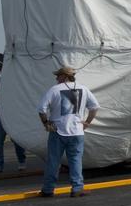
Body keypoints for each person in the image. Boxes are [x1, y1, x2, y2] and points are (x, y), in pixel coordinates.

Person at [37, 65, 99, 198]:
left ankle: (48, 189)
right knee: (75, 160)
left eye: (58, 76)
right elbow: (94, 107)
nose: (56, 78)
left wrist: (46, 123)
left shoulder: (54, 90)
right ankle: (77, 188)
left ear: (64, 76)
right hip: (77, 131)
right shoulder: (83, 88)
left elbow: (42, 109)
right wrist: (87, 122)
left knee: (53, 161)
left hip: (57, 130)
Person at [0, 75, 27, 173]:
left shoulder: (13, 90)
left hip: (12, 116)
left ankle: (21, 161)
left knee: (17, 140)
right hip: (0, 116)